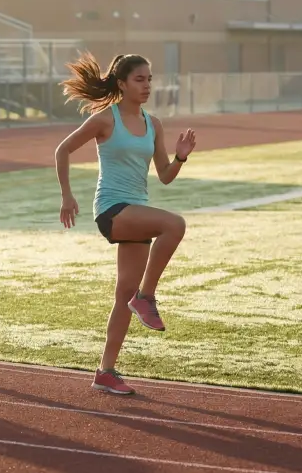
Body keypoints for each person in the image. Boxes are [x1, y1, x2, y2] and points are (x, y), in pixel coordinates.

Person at [53, 52, 196, 395]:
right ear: (122, 84)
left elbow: (164, 177)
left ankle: (105, 371)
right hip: (112, 209)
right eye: (139, 79)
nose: (147, 85)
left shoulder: (153, 123)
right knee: (174, 225)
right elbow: (63, 150)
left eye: (149, 79)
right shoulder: (106, 119)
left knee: (123, 295)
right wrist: (67, 197)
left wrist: (181, 156)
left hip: (137, 210)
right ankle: (147, 298)